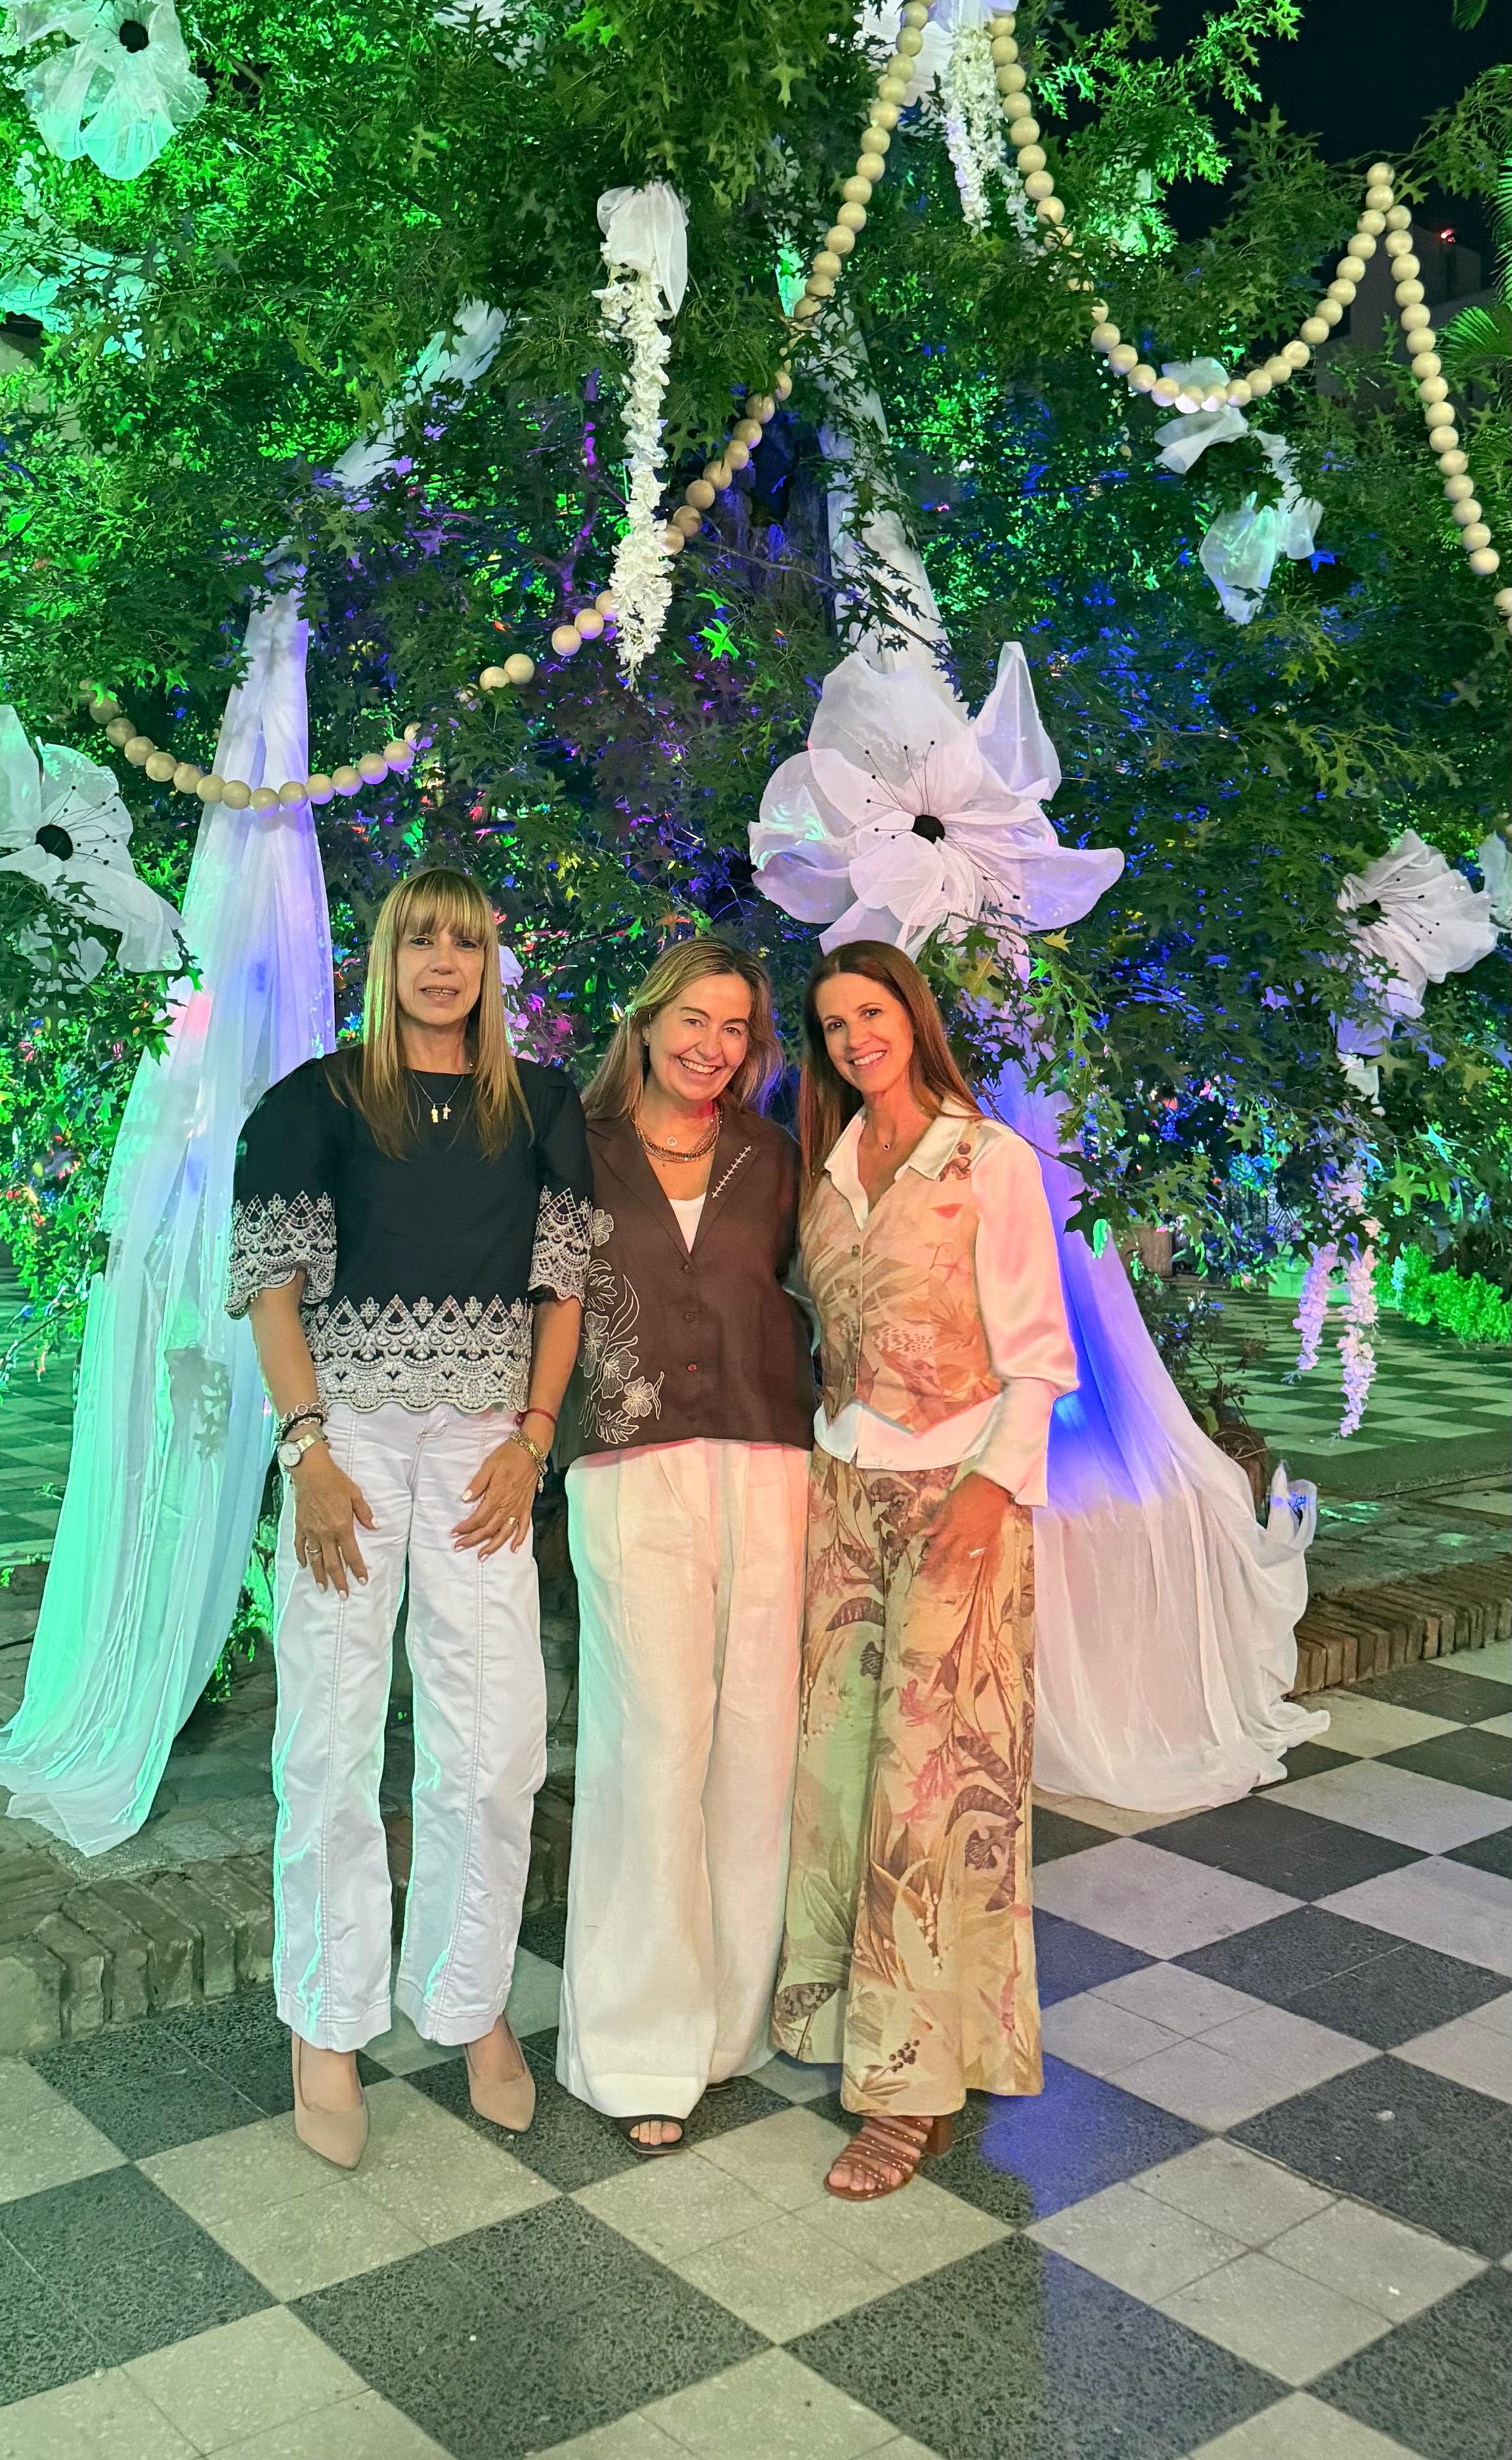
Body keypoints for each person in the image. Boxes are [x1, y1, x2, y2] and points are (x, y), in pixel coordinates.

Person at [226, 865, 590, 2166]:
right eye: (421, 940)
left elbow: (562, 1295)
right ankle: (326, 2022)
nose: (444, 962)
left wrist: (534, 1439)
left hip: (488, 1447)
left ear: (491, 963)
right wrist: (307, 1450)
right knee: (329, 1739)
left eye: (467, 943)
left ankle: (468, 1995)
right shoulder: (313, 1101)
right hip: (350, 1442)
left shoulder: (542, 1104)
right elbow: (274, 1292)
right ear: (386, 959)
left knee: (493, 1743)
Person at [772, 940, 1077, 2199]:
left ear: (913, 1015)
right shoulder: (830, 1168)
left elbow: (1040, 1352)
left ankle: (909, 2094)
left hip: (960, 1497)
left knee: (930, 1794)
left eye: (873, 1011)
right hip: (843, 1493)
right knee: (841, 1774)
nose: (856, 1038)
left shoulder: (986, 1160)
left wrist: (990, 1492)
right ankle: (861, 2026)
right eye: (835, 1023)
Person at [556, 940, 817, 2152]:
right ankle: (636, 2045)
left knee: (756, 1746)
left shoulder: (777, 1156)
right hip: (628, 1463)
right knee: (652, 1744)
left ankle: (727, 2026)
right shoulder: (575, 1143)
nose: (713, 1046)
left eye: (736, 1028)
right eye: (694, 1020)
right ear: (648, 1022)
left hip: (771, 1459)